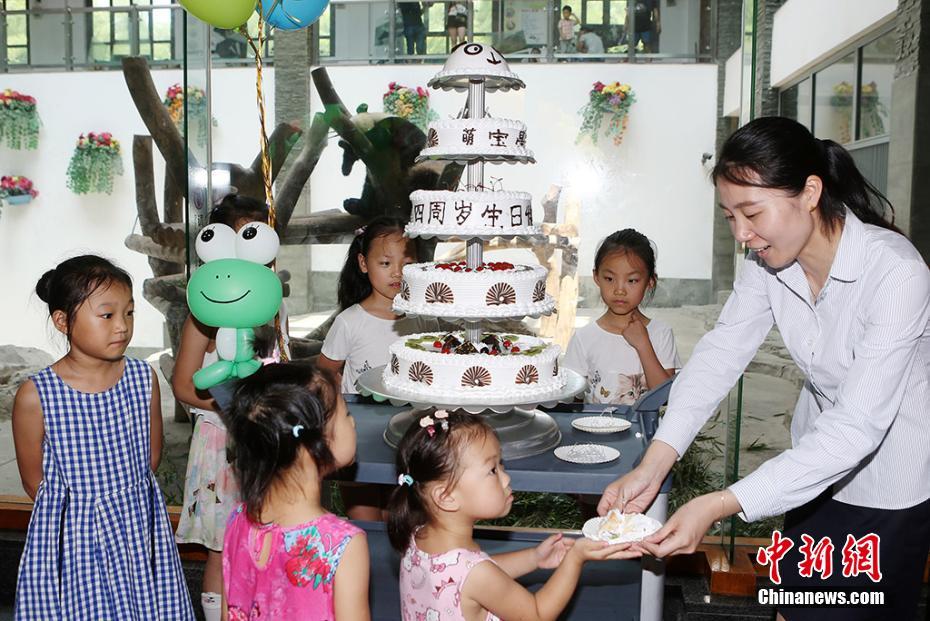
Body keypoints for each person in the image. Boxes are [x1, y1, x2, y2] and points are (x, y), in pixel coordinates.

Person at [599, 116, 930, 620]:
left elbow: (857, 428)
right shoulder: (768, 262)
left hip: (889, 485)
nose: (742, 234)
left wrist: (718, 503)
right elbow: (720, 354)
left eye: (751, 212)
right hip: (811, 474)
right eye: (730, 217)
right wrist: (656, 460)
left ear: (810, 192)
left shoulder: (897, 274)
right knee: (791, 607)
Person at [12, 255, 194, 619]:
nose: (122, 327)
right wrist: (84, 509)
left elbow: (150, 458)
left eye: (129, 313)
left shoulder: (144, 379)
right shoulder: (37, 395)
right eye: (107, 315)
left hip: (137, 527)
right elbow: (35, 482)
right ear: (63, 321)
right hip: (74, 537)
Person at [388, 410, 636, 620]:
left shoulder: (417, 537)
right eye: (492, 470)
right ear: (446, 497)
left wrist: (534, 558)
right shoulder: (476, 573)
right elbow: (537, 613)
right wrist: (575, 559)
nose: (506, 478)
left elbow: (470, 575)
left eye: (501, 464)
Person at [173, 194, 280, 621]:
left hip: (264, 445)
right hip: (220, 445)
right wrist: (230, 411)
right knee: (221, 546)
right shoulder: (203, 317)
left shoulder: (268, 309)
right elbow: (183, 384)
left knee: (264, 541)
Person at [222, 363, 370, 620]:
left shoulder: (237, 521)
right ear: (314, 444)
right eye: (345, 414)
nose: (353, 421)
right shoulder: (341, 544)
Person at [317, 217, 432, 521]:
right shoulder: (349, 322)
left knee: (404, 521)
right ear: (363, 263)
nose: (397, 272)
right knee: (365, 521)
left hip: (409, 437)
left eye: (407, 262)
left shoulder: (423, 319)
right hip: (361, 439)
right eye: (385, 262)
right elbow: (325, 373)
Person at [564, 229, 680, 406]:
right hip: (594, 432)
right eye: (610, 278)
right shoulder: (583, 338)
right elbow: (569, 399)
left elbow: (664, 398)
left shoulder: (661, 334)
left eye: (632, 280)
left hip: (646, 434)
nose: (619, 290)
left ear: (650, 281)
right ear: (596, 277)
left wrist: (643, 345)